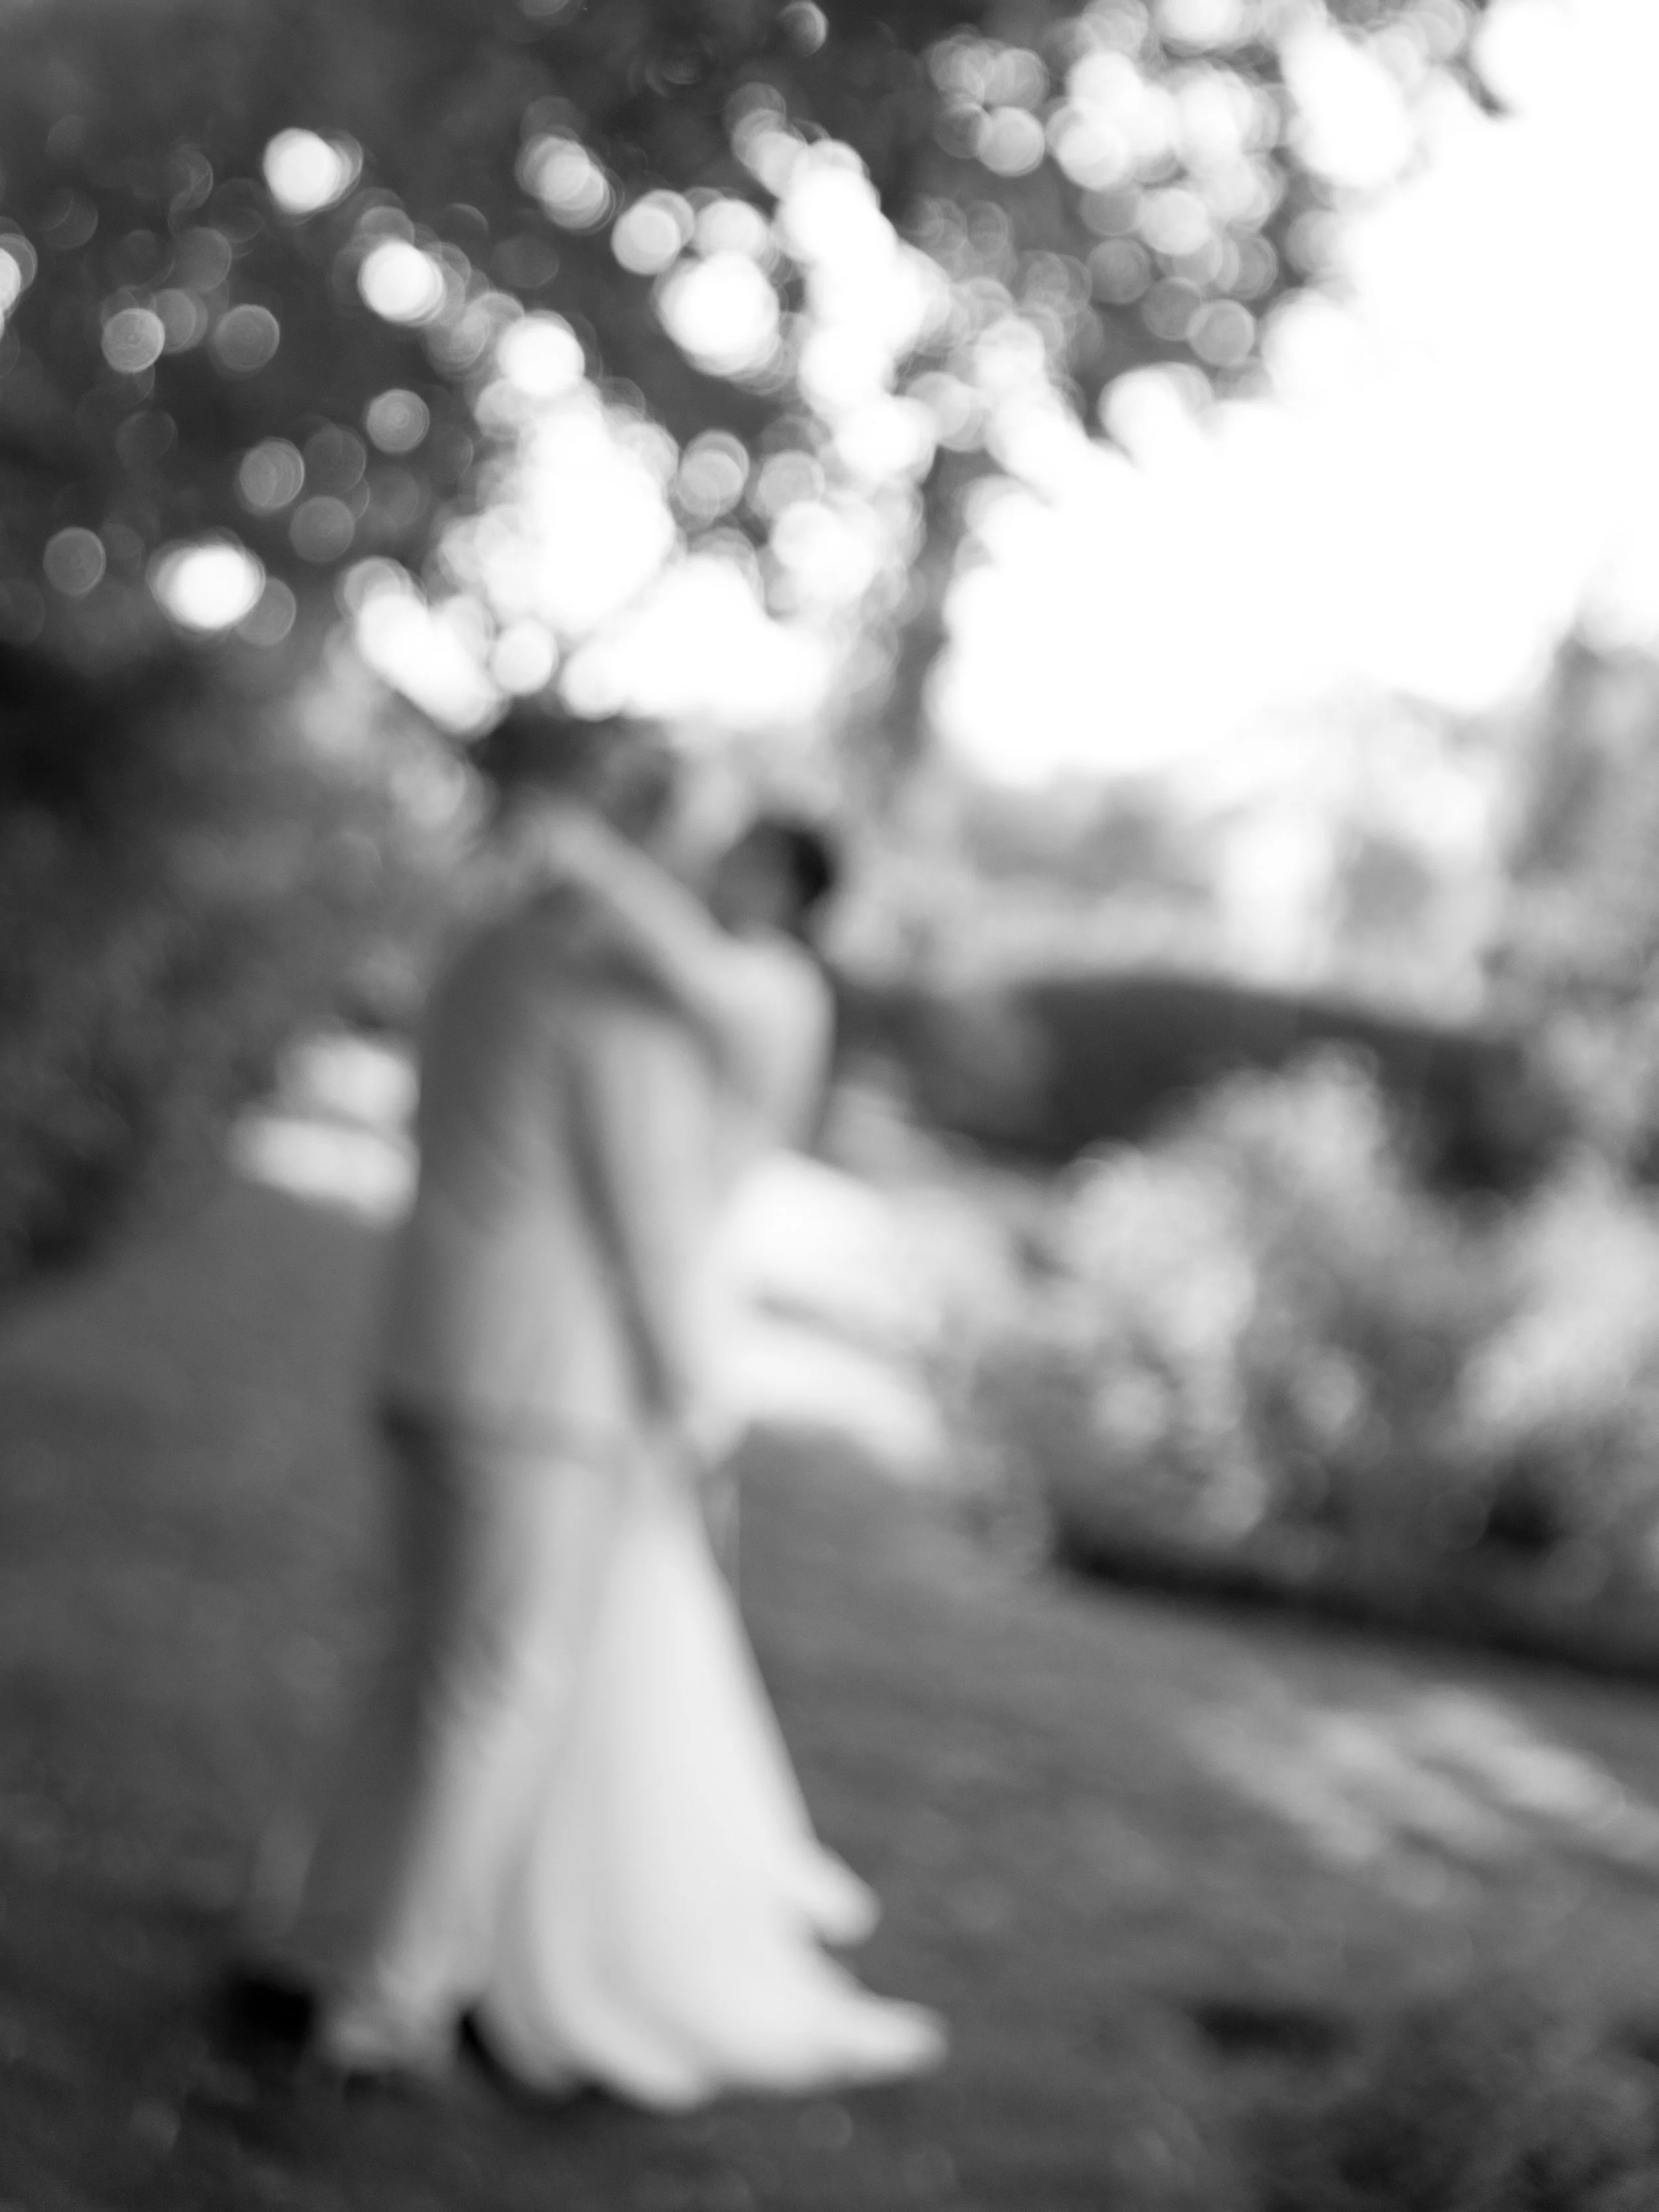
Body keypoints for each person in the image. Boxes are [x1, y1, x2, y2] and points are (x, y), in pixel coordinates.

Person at [232, 708, 944, 2105]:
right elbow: (646, 1221)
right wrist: (692, 1392)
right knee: (487, 1686)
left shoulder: (505, 938)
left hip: (433, 1344)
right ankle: (392, 1997)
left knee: (421, 1662)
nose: (717, 864)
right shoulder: (613, 984)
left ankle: (322, 1937)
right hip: (543, 1382)